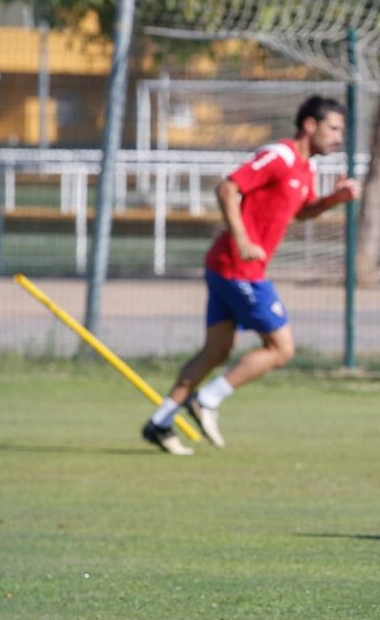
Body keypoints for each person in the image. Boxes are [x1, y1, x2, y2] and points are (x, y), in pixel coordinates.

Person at [142, 96, 359, 455]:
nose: (338, 138)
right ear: (309, 125)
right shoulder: (279, 156)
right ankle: (207, 400)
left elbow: (300, 213)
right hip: (238, 268)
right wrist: (242, 240)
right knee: (281, 348)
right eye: (333, 128)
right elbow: (227, 188)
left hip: (228, 267)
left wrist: (333, 200)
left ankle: (160, 422)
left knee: (216, 351)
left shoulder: (306, 169)